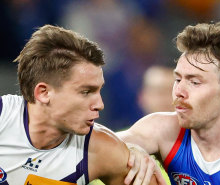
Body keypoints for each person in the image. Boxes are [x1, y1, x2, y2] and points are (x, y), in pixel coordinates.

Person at [0, 25, 165, 185]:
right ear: (44, 93)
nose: (100, 104)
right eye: (86, 92)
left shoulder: (102, 151)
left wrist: (127, 150)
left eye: (99, 91)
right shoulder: (3, 118)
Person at [117, 22, 220, 185]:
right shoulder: (165, 128)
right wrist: (129, 150)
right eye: (178, 79)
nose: (179, 91)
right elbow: (98, 145)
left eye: (194, 82)